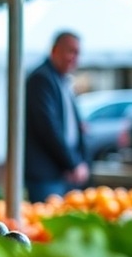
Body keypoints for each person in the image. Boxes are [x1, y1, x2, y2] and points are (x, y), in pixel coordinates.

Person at [24, 30, 90, 202]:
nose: (74, 57)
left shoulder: (62, 80)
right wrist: (73, 163)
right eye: (70, 51)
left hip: (60, 173)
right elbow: (47, 127)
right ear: (54, 50)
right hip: (45, 174)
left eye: (77, 53)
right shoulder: (41, 79)